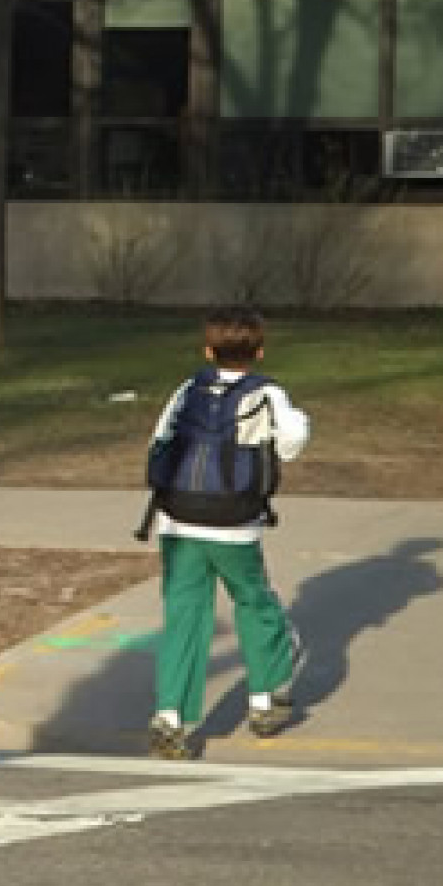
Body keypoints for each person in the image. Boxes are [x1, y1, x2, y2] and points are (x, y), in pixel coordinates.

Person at [144, 306, 309, 760]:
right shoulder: (268, 394)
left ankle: (171, 715)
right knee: (254, 601)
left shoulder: (187, 389)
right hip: (233, 522)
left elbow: (160, 441)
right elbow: (292, 444)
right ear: (259, 351)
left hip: (178, 519)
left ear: (207, 350)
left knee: (184, 614)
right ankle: (264, 696)